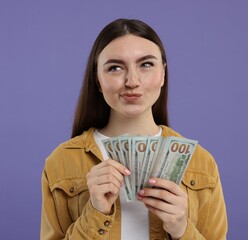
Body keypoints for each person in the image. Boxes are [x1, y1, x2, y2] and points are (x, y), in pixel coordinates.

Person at [40, 18, 228, 239]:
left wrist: (180, 228)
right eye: (115, 67)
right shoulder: (61, 162)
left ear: (163, 74)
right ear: (98, 80)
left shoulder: (201, 163)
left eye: (146, 64)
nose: (132, 81)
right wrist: (96, 212)